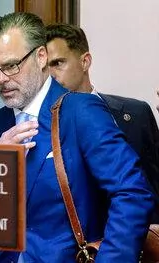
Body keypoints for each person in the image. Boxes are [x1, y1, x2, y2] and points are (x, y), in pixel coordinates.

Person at [0, 12, 155, 263]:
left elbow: (132, 192)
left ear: (41, 56)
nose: (2, 78)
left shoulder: (79, 111)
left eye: (12, 65)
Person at [46, 23, 159, 221]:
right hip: (74, 245)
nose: (50, 75)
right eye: (44, 68)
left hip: (136, 242)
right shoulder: (37, 126)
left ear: (85, 61)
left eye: (57, 63)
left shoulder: (136, 113)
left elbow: (154, 184)